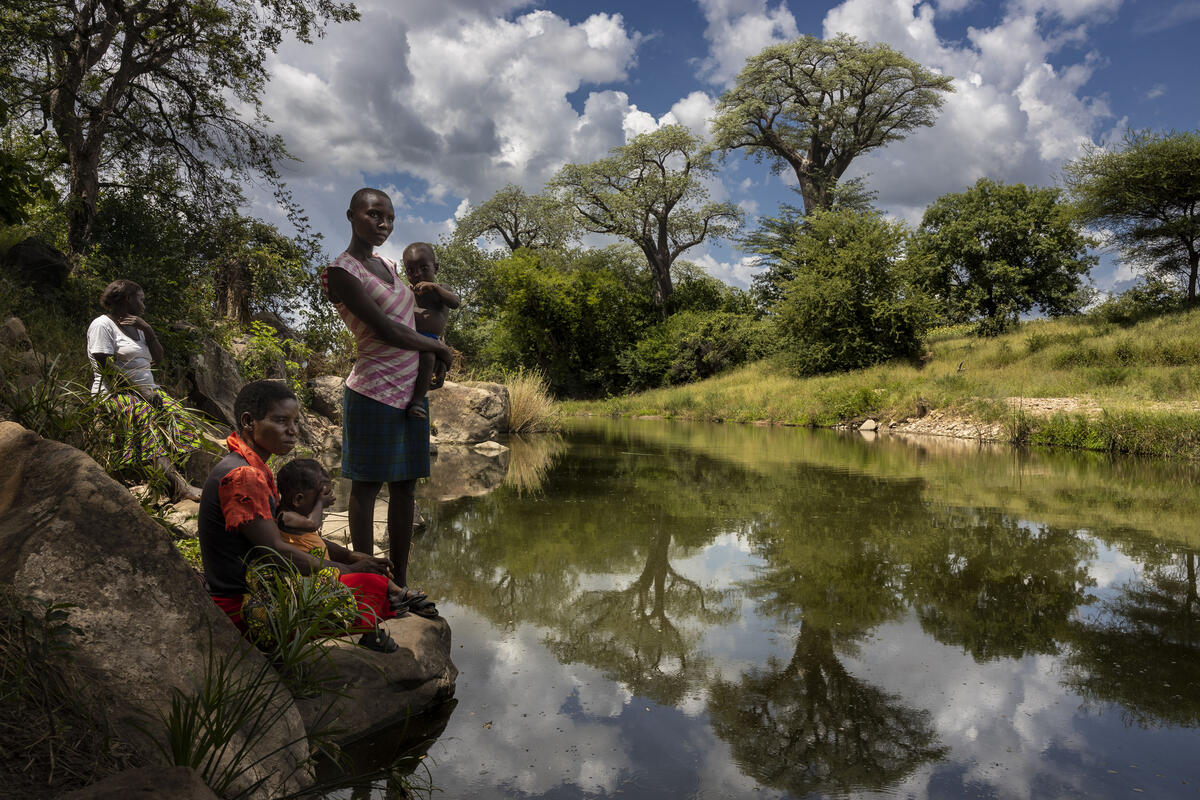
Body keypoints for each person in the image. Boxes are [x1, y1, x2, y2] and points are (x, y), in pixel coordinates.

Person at [197, 380, 406, 652]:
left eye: (295, 422)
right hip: (244, 607)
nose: (292, 431)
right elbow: (276, 550)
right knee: (371, 585)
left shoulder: (252, 467)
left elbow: (292, 536)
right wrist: (348, 570)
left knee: (366, 575)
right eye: (281, 421)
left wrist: (351, 556)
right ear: (249, 421)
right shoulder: (244, 476)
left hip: (258, 590)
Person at [321, 188, 452, 609]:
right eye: (374, 214)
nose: (383, 224)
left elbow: (415, 317)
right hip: (373, 390)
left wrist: (433, 349)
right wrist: (438, 348)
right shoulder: (341, 272)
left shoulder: (391, 267)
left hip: (409, 391)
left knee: (405, 489)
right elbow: (386, 331)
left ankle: (401, 583)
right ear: (352, 215)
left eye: (389, 217)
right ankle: (369, 586)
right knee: (366, 488)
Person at [86, 279, 203, 502]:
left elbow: (157, 358)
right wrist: (143, 394)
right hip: (115, 392)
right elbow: (106, 368)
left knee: (183, 421)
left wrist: (148, 330)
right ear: (128, 299)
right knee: (145, 419)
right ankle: (178, 487)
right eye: (141, 299)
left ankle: (173, 477)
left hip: (148, 390)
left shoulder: (139, 327)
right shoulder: (103, 325)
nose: (144, 305)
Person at [276, 458, 436, 617]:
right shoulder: (286, 517)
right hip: (311, 584)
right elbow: (312, 524)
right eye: (322, 496)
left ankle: (397, 596)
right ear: (298, 499)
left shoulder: (301, 525)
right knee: (369, 582)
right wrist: (320, 504)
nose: (327, 502)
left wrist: (360, 559)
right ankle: (398, 601)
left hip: (327, 575)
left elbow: (331, 548)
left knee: (374, 570)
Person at [402, 241, 460, 418]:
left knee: (428, 358)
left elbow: (455, 303)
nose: (418, 274)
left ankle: (418, 402)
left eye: (424, 268)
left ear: (436, 268)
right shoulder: (407, 293)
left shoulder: (441, 290)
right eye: (411, 270)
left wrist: (434, 288)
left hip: (430, 343)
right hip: (409, 340)